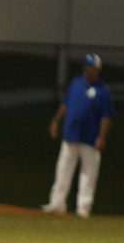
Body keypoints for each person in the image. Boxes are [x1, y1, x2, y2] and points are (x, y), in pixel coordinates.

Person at [41, 53, 115, 218]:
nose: (94, 71)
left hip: (90, 138)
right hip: (71, 135)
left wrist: (102, 137)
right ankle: (57, 203)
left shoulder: (102, 90)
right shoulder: (76, 84)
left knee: (88, 174)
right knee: (63, 170)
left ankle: (83, 207)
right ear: (85, 68)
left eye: (96, 69)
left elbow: (106, 116)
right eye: (91, 68)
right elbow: (65, 105)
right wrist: (55, 121)